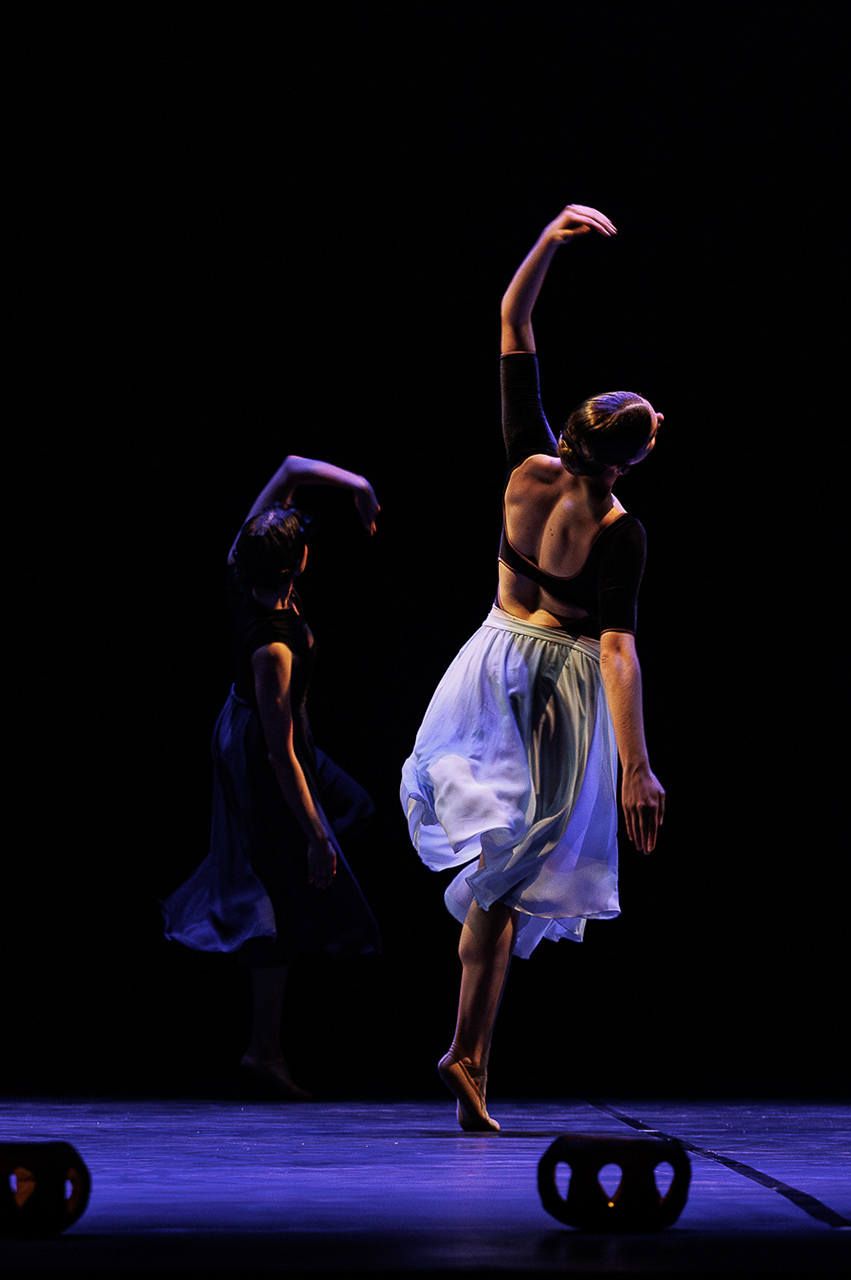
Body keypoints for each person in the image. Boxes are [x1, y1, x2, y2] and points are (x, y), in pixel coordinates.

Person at [400, 204, 666, 1133]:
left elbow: (514, 321)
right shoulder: (619, 530)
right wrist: (636, 766)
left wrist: (549, 238)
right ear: (628, 462)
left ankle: (471, 1055)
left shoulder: (526, 466)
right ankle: (466, 1052)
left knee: (506, 868)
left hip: (487, 659)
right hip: (555, 692)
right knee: (512, 872)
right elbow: (617, 648)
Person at [163, 457, 383, 1100]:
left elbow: (289, 469)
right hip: (260, 748)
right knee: (276, 889)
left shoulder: (243, 564)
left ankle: (300, 885)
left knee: (355, 810)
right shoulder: (274, 649)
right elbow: (280, 753)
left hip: (273, 733)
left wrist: (358, 487)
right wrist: (314, 837)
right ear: (298, 565)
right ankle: (264, 1049)